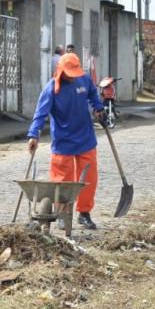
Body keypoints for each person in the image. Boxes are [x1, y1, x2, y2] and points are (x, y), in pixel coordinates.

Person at [27, 53, 105, 230]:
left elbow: (93, 94)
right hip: (63, 142)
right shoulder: (50, 89)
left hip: (86, 138)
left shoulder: (84, 80)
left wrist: (98, 107)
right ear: (61, 70)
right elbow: (40, 114)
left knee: (89, 179)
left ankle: (84, 213)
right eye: (69, 72)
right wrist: (33, 135)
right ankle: (63, 213)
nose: (73, 76)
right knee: (62, 182)